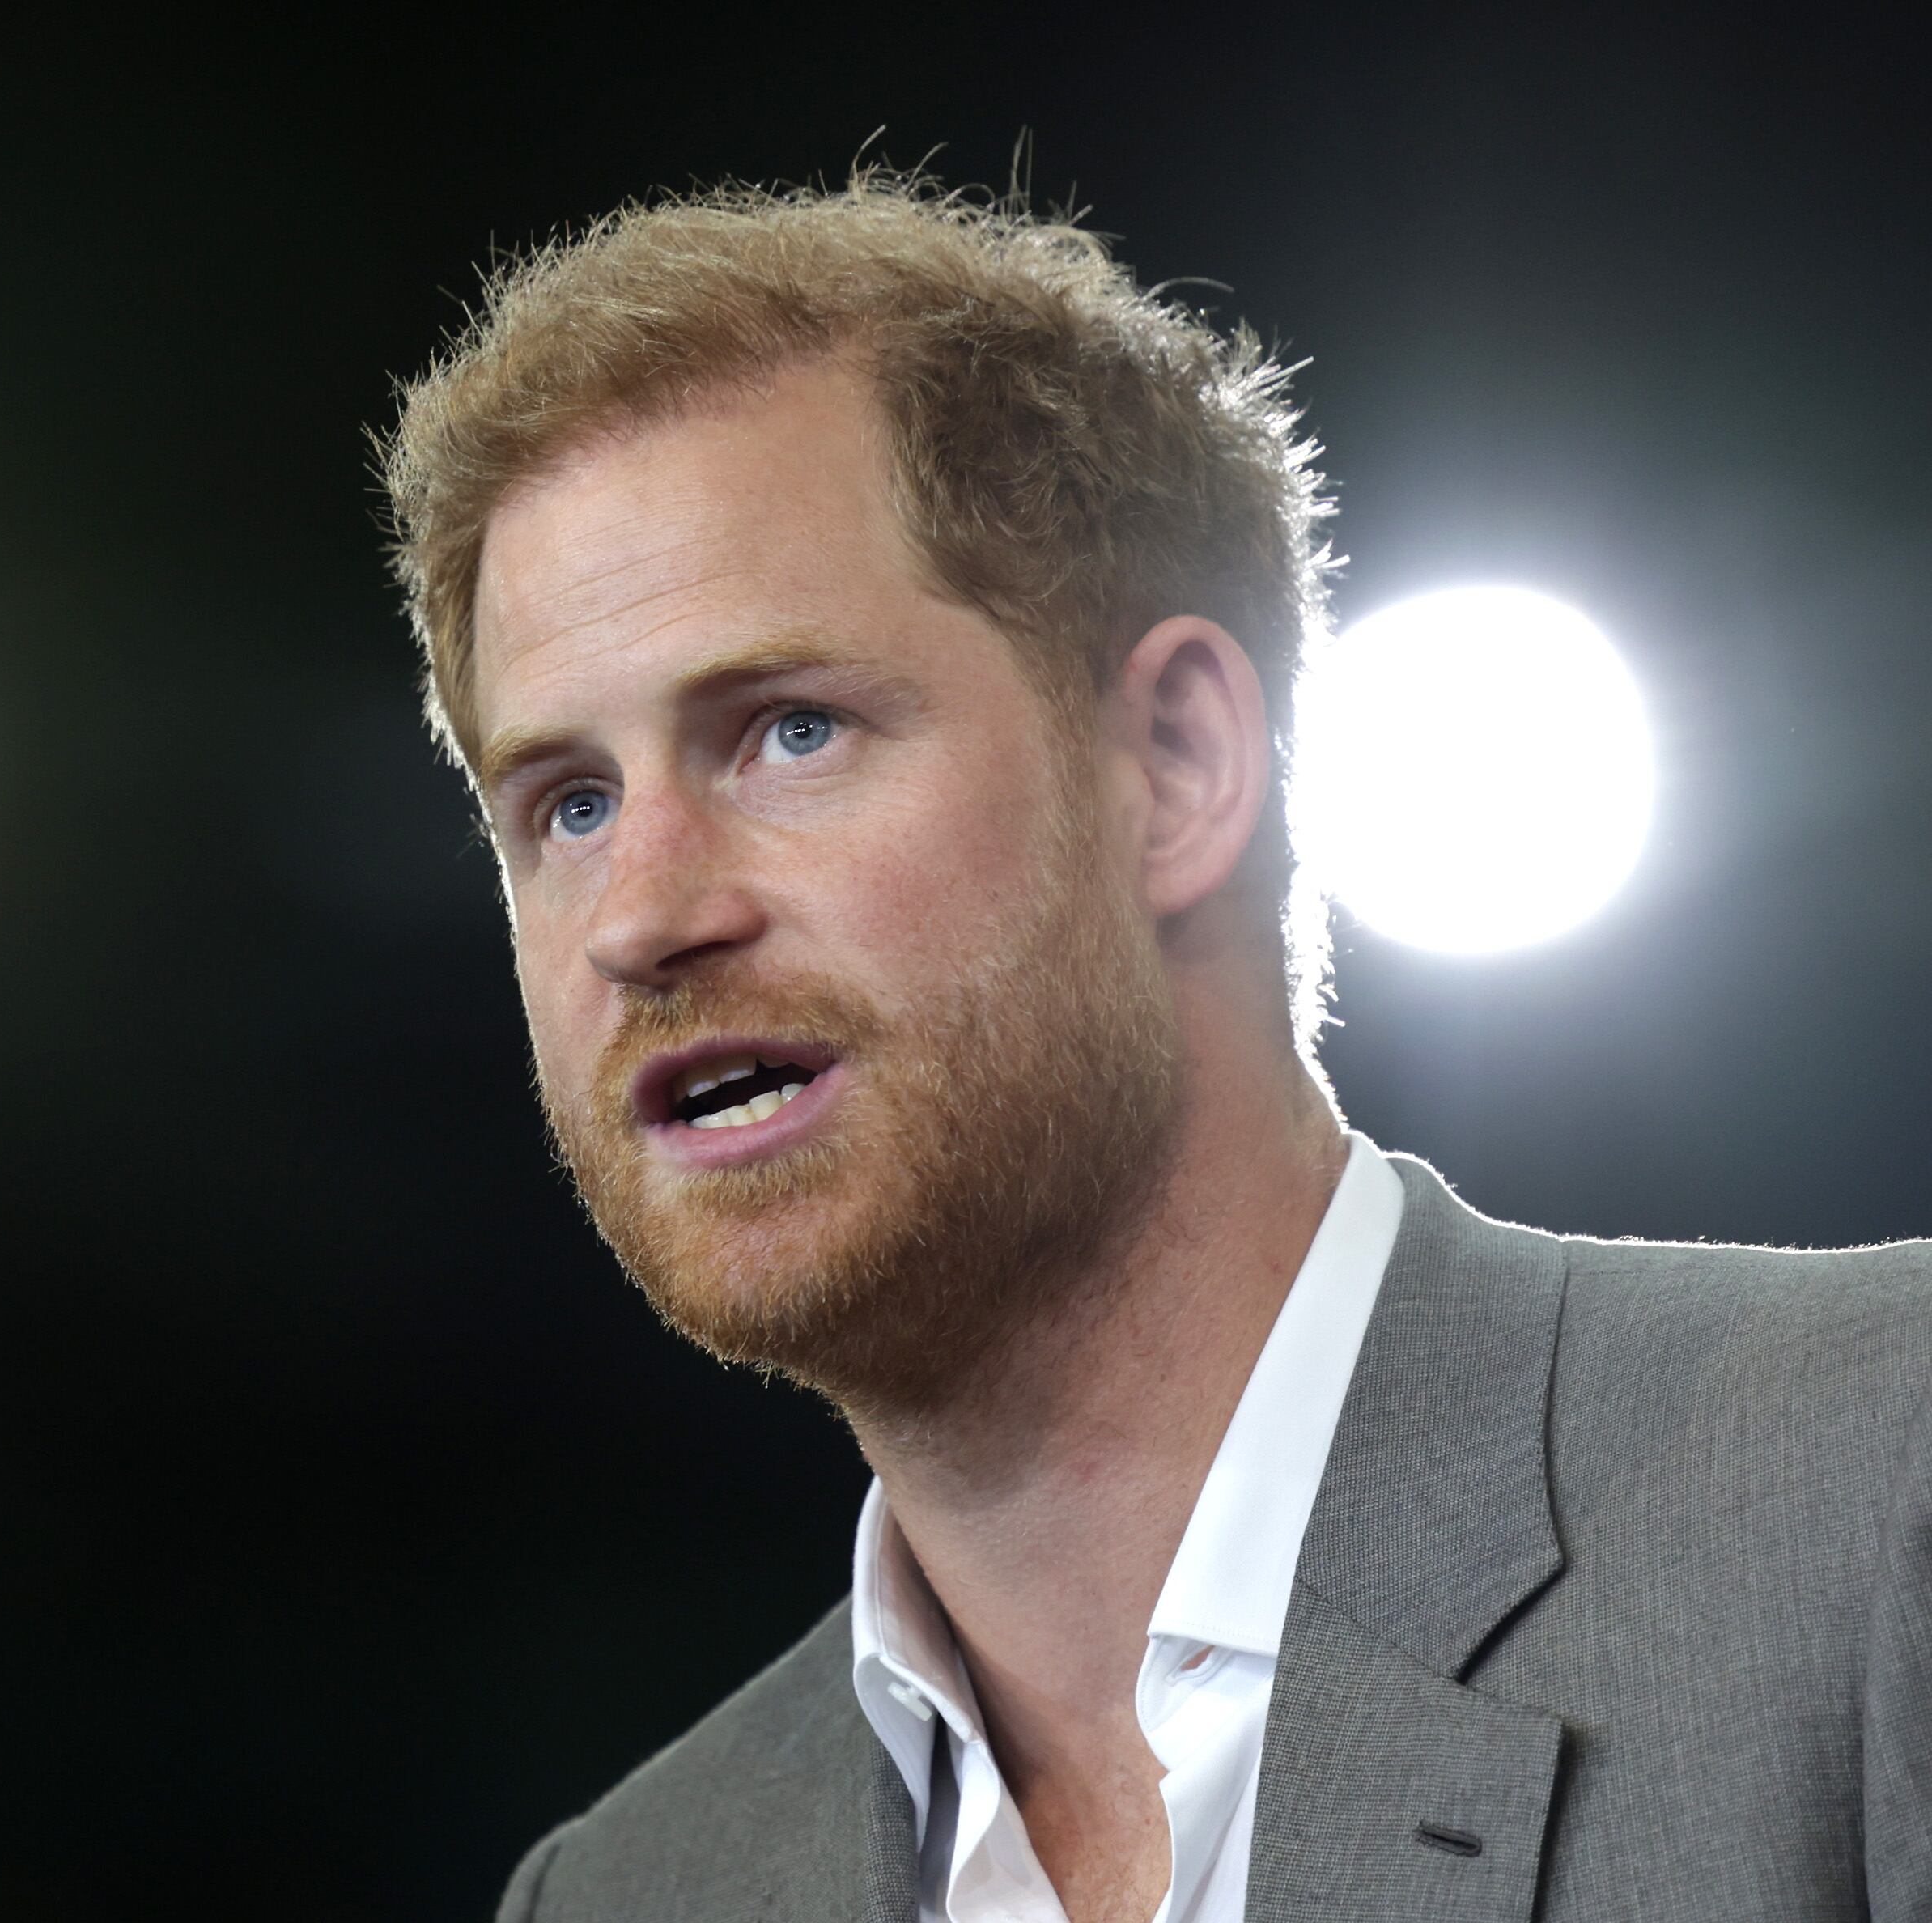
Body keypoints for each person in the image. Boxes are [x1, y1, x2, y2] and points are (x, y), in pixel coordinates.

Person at [376, 176, 1932, 1923]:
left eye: (789, 731)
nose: (640, 917)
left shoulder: (1885, 1485)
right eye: (568, 805)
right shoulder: (620, 1896)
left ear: (1177, 766)